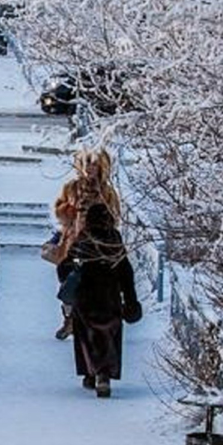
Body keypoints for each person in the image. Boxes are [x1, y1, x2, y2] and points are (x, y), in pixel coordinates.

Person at [56, 203, 137, 397]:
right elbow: (125, 269)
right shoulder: (114, 239)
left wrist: (70, 278)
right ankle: (104, 374)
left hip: (86, 296)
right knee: (109, 336)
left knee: (87, 337)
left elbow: (65, 266)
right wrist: (131, 299)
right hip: (110, 296)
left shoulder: (84, 238)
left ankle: (90, 373)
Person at [51, 148, 123, 339]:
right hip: (71, 244)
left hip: (96, 247)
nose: (90, 169)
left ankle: (88, 322)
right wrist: (70, 211)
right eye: (87, 164)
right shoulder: (71, 187)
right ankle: (69, 319)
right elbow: (58, 209)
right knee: (67, 285)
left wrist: (101, 224)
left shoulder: (107, 191)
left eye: (94, 165)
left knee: (92, 287)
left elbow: (115, 216)